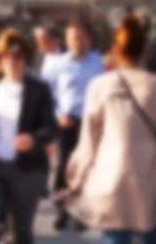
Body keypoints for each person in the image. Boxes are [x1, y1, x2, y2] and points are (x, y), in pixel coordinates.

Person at [62, 15, 156, 244]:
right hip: (152, 183)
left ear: (116, 51)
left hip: (112, 182)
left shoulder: (98, 86)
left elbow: (88, 144)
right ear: (145, 51)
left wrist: (74, 179)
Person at [0, 28, 57, 244]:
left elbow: (50, 128)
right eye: (6, 56)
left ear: (26, 59)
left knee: (21, 234)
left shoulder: (39, 89)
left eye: (18, 56)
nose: (13, 61)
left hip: (27, 169)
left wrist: (33, 140)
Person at [44, 20, 105, 231]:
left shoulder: (97, 63)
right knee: (62, 166)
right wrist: (58, 115)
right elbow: (47, 95)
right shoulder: (58, 64)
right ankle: (62, 211)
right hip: (66, 122)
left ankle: (81, 213)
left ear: (87, 39)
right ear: (67, 41)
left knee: (85, 168)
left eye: (81, 37)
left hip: (89, 123)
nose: (78, 41)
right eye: (73, 38)